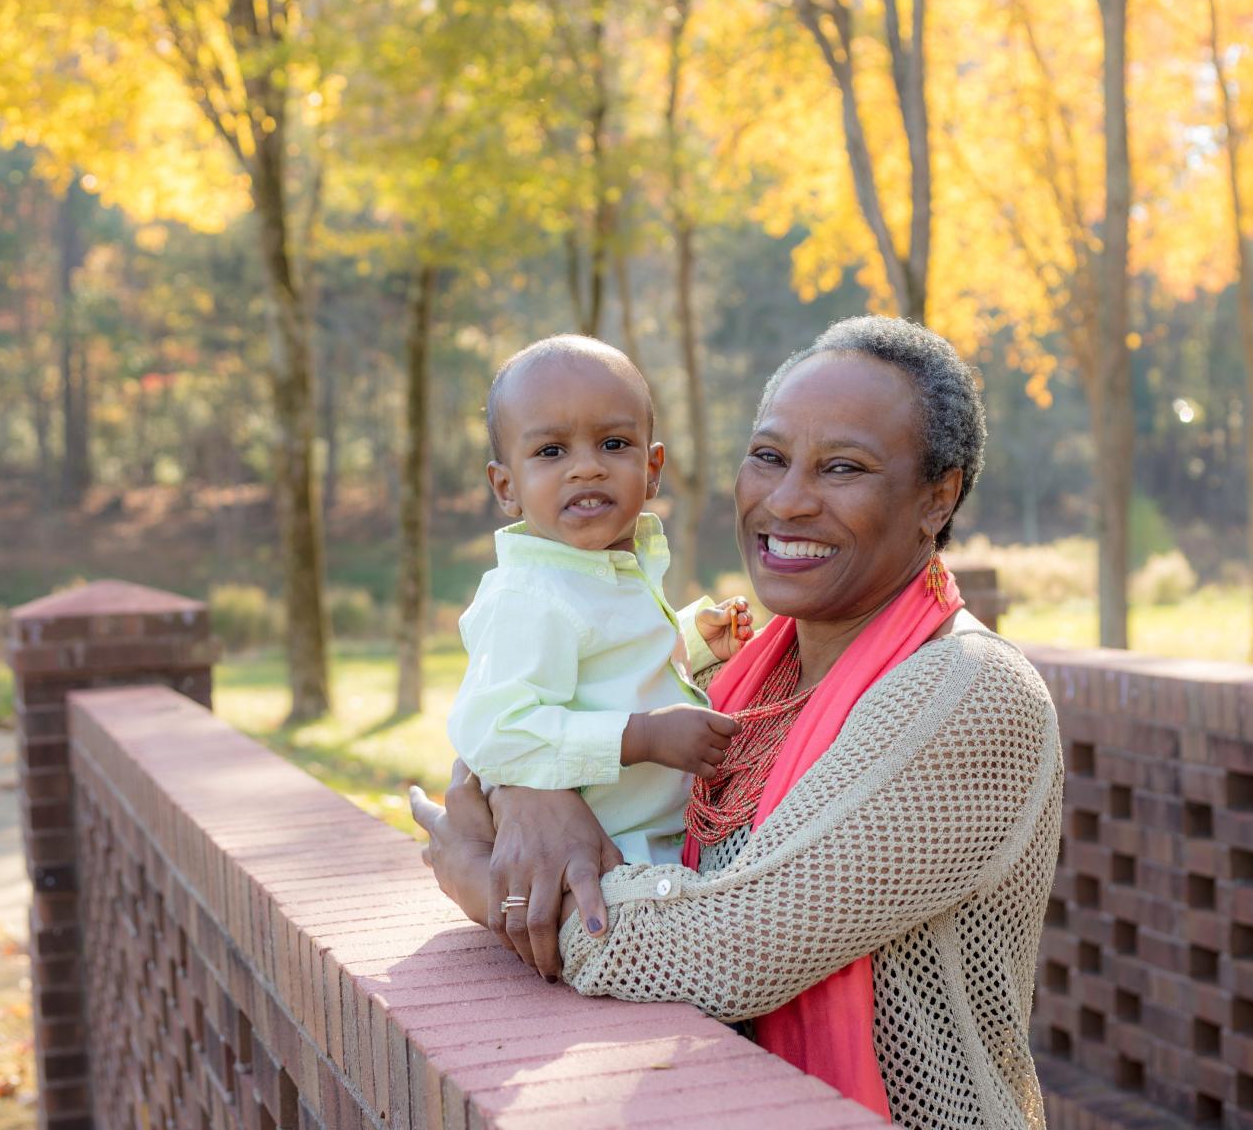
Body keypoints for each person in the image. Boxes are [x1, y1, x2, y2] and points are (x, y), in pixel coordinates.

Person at [414, 317, 1064, 1129]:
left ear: (937, 497)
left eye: (843, 468)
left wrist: (489, 885)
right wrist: (524, 788)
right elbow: (517, 722)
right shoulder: (744, 677)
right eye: (768, 456)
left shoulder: (966, 694)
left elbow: (727, 949)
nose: (787, 499)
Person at [448, 334, 753, 867]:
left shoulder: (601, 570)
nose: (586, 467)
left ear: (653, 468)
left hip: (666, 839)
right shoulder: (529, 596)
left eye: (613, 444)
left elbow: (606, 668)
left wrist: (691, 642)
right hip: (598, 859)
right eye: (551, 451)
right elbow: (495, 733)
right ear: (506, 488)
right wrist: (642, 736)